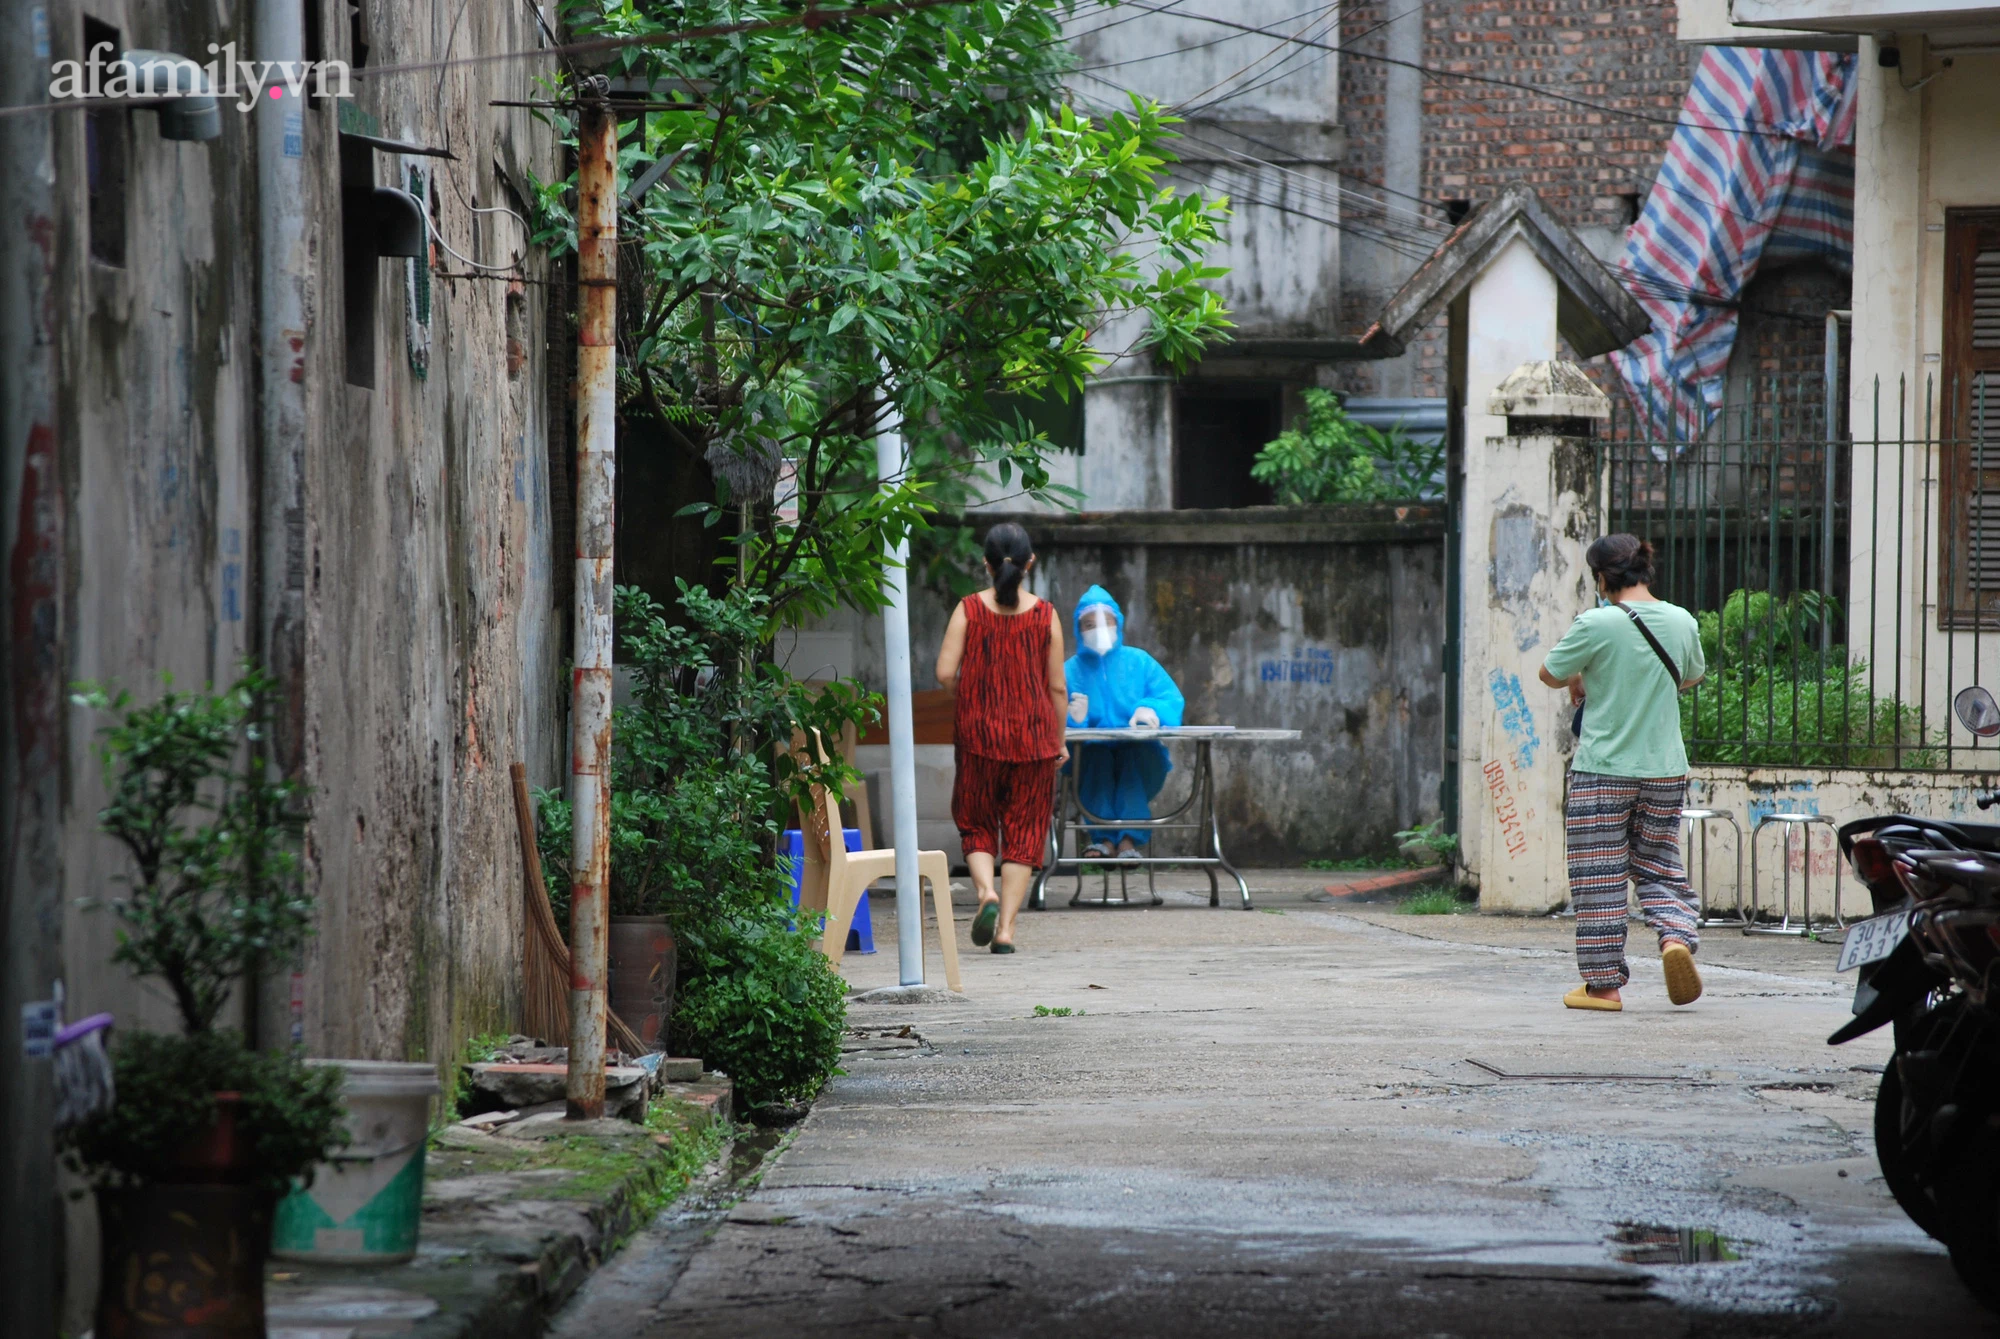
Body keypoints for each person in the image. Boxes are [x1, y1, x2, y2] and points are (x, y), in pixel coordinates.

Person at [1539, 534, 1707, 1014]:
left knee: (1600, 877)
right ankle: (1675, 937)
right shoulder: (1680, 620)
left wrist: (1580, 676)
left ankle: (1603, 986)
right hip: (1664, 769)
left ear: (1601, 578)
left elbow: (1549, 673)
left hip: (1603, 771)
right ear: (1645, 571)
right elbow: (1691, 675)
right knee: (1658, 863)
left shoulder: (1596, 623)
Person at [934, 523, 1070, 955]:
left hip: (978, 737)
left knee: (975, 823)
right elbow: (1057, 689)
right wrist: (1058, 739)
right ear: (1030, 564)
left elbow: (943, 673)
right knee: (1025, 831)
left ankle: (984, 893)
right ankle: (1007, 930)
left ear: (986, 564)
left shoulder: (969, 609)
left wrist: (973, 697)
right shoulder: (1045, 615)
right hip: (1034, 740)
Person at [1063, 586, 1185, 859]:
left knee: (1131, 763)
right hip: (1088, 758)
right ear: (1078, 629)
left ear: (1118, 623)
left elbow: (1170, 698)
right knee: (1097, 760)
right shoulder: (1069, 671)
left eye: (1106, 621)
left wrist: (1149, 709)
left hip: (1141, 754)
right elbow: (1049, 716)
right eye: (1089, 624)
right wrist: (1074, 721)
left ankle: (1128, 841)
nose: (1099, 629)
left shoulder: (1140, 662)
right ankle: (1104, 840)